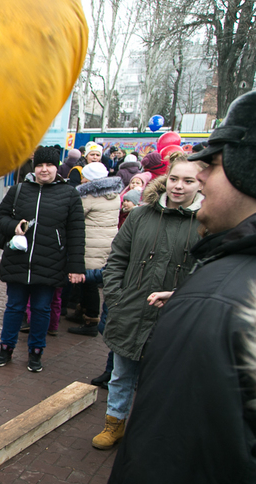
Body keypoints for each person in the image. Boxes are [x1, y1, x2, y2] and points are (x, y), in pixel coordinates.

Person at [70, 89, 256, 484]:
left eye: (214, 162)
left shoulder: (221, 306)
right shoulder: (224, 283)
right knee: (123, 376)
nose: (198, 176)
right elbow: (122, 258)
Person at [90, 151, 202, 450]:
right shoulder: (140, 215)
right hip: (131, 310)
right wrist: (116, 298)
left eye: (188, 181)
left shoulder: (207, 223)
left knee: (163, 382)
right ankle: (114, 424)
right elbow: (116, 260)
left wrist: (183, 301)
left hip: (175, 319)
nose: (178, 186)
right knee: (121, 374)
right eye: (174, 179)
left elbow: (209, 272)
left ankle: (149, 432)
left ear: (200, 184)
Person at [0, 145, 86, 372]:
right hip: (18, 260)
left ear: (57, 167)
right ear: (34, 167)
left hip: (50, 262)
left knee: (42, 310)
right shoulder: (19, 190)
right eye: (40, 165)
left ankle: (36, 353)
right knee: (14, 308)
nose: (44, 170)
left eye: (49, 165)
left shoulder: (69, 194)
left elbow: (76, 232)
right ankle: (6, 348)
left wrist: (76, 267)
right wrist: (15, 226)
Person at [68, 162, 124, 336]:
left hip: (92, 243)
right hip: (106, 243)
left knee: (88, 281)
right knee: (91, 279)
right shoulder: (114, 194)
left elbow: (76, 216)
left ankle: (91, 319)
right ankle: (83, 311)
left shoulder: (89, 196)